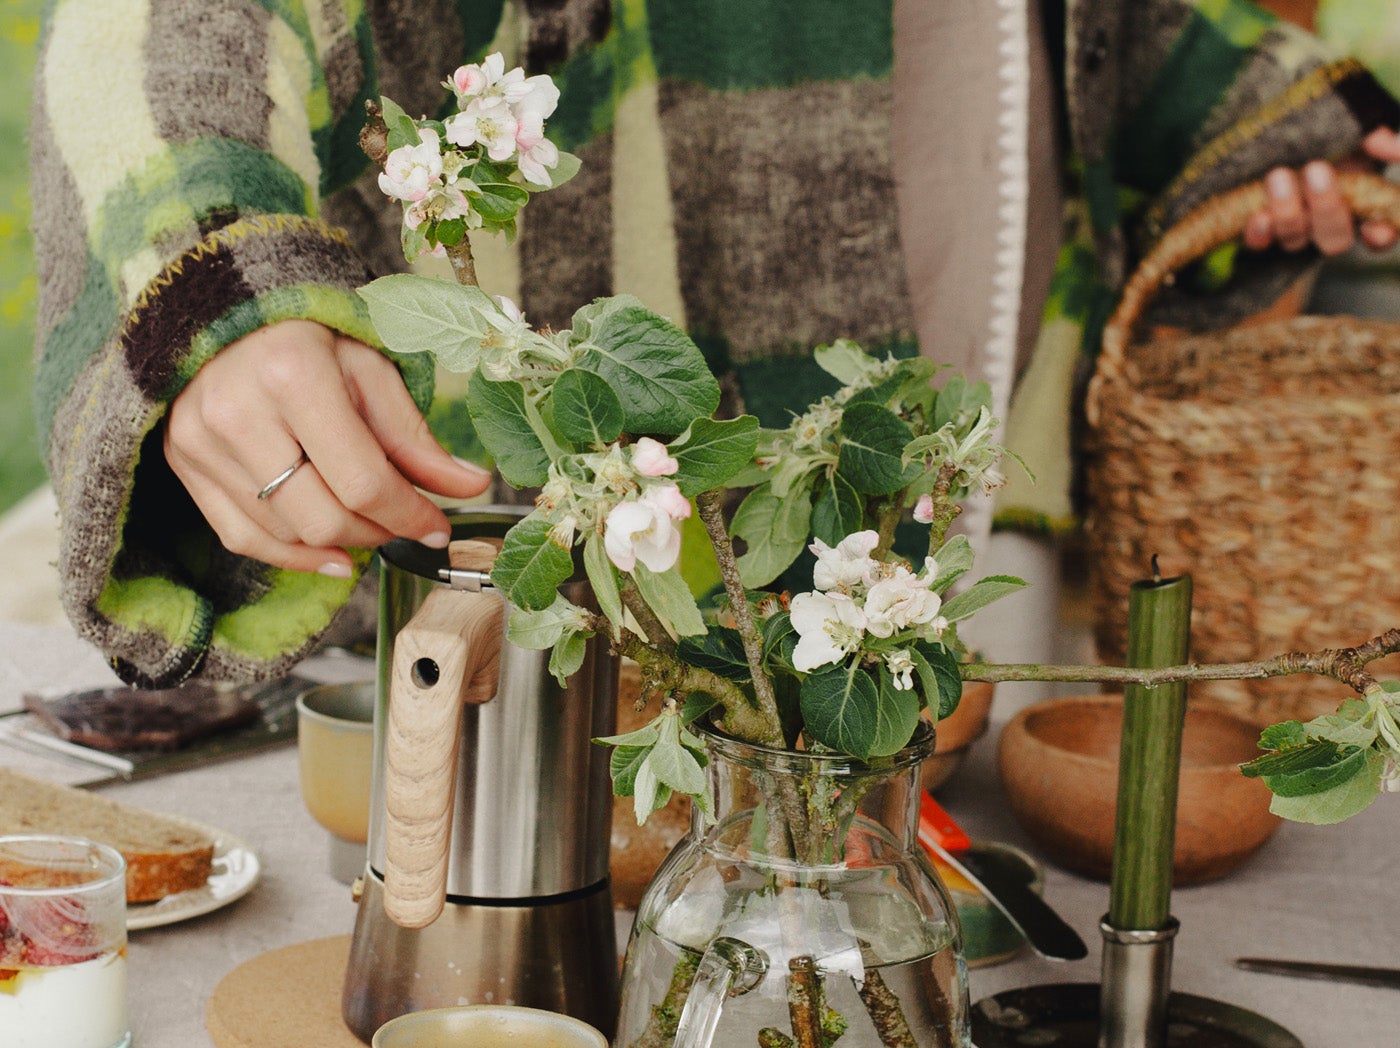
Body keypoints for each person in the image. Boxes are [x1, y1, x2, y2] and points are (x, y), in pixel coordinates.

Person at [30, 0, 1400, 685]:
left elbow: (1097, 37)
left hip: (979, 521)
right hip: (555, 593)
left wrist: (1273, 138)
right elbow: (163, 28)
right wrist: (211, 283)